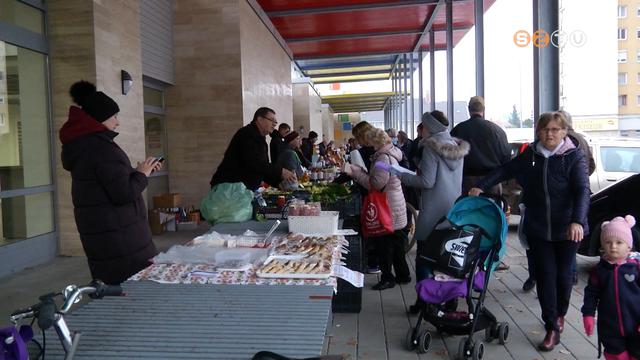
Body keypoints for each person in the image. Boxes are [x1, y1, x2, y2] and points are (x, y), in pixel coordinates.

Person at [469, 111, 590, 351]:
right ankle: (551, 327)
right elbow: (505, 169)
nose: (549, 134)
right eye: (545, 129)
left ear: (565, 131)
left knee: (564, 277)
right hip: (538, 227)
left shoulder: (574, 157)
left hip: (568, 229)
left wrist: (577, 220)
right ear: (538, 131)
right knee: (546, 276)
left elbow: (582, 190)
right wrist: (480, 186)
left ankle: (560, 314)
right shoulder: (531, 155)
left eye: (555, 129)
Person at [60, 80, 162, 285]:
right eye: (114, 116)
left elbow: (107, 183)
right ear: (100, 118)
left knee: (110, 286)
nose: (118, 122)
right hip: (120, 236)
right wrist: (141, 175)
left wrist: (138, 172)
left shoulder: (84, 146)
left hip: (105, 232)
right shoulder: (101, 149)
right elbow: (123, 193)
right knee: (130, 288)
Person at [389, 112, 469, 311]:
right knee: (447, 257)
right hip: (453, 210)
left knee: (424, 257)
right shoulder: (457, 147)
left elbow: (427, 182)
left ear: (430, 127)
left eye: (423, 126)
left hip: (433, 210)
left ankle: (424, 300)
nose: (421, 129)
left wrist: (401, 175)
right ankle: (450, 299)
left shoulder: (431, 149)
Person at [344, 128, 411, 290]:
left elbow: (375, 184)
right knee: (396, 244)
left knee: (385, 245)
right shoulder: (392, 153)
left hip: (387, 208)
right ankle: (403, 275)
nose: (367, 144)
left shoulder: (383, 159)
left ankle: (388, 277)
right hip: (395, 204)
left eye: (369, 141)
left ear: (375, 142)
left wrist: (356, 172)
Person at [452, 96, 511, 271]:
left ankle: (464, 256)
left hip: (465, 182)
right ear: (483, 110)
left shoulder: (458, 130)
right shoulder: (497, 131)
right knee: (494, 220)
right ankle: (494, 258)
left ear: (469, 109)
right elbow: (506, 159)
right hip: (491, 183)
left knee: (466, 220)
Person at [582, 215, 640, 360]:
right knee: (616, 355)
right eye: (608, 242)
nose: (613, 246)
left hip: (636, 325)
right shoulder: (599, 270)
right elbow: (591, 293)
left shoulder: (636, 268)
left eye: (619, 242)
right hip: (610, 327)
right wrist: (588, 314)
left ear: (629, 246)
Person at [210, 107, 296, 191]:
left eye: (275, 121)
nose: (275, 123)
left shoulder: (261, 139)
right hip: (229, 189)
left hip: (242, 190)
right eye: (272, 120)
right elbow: (254, 163)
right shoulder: (246, 134)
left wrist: (279, 183)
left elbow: (262, 169)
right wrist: (280, 171)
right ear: (260, 119)